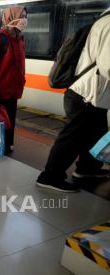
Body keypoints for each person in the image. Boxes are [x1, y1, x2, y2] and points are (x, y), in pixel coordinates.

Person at [36, 7, 110, 192]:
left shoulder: (104, 20)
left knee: (96, 133)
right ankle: (49, 176)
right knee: (72, 137)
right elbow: (108, 66)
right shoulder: (109, 24)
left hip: (95, 95)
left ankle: (87, 170)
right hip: (86, 95)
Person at [0, 6, 27, 154]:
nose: (24, 20)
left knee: (11, 120)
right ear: (11, 18)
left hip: (14, 90)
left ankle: (8, 145)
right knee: (0, 121)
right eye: (22, 16)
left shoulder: (20, 39)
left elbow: (21, 64)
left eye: (25, 17)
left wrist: (22, 81)